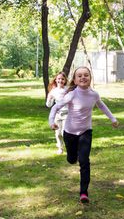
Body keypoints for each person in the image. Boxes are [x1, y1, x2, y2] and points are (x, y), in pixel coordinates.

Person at [49, 66, 119, 204]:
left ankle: (83, 192)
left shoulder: (94, 94)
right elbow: (55, 107)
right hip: (69, 133)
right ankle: (71, 157)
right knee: (71, 159)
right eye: (79, 76)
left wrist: (113, 119)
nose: (83, 77)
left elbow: (102, 106)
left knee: (84, 161)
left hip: (86, 132)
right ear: (75, 80)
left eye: (86, 75)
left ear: (90, 78)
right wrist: (52, 122)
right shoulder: (72, 94)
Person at [46, 72, 68, 154]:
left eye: (62, 79)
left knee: (64, 132)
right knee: (58, 133)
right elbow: (48, 105)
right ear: (56, 80)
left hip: (67, 114)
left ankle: (69, 147)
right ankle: (60, 148)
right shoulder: (53, 91)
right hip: (57, 115)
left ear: (65, 80)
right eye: (59, 79)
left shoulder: (68, 90)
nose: (60, 80)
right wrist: (49, 98)